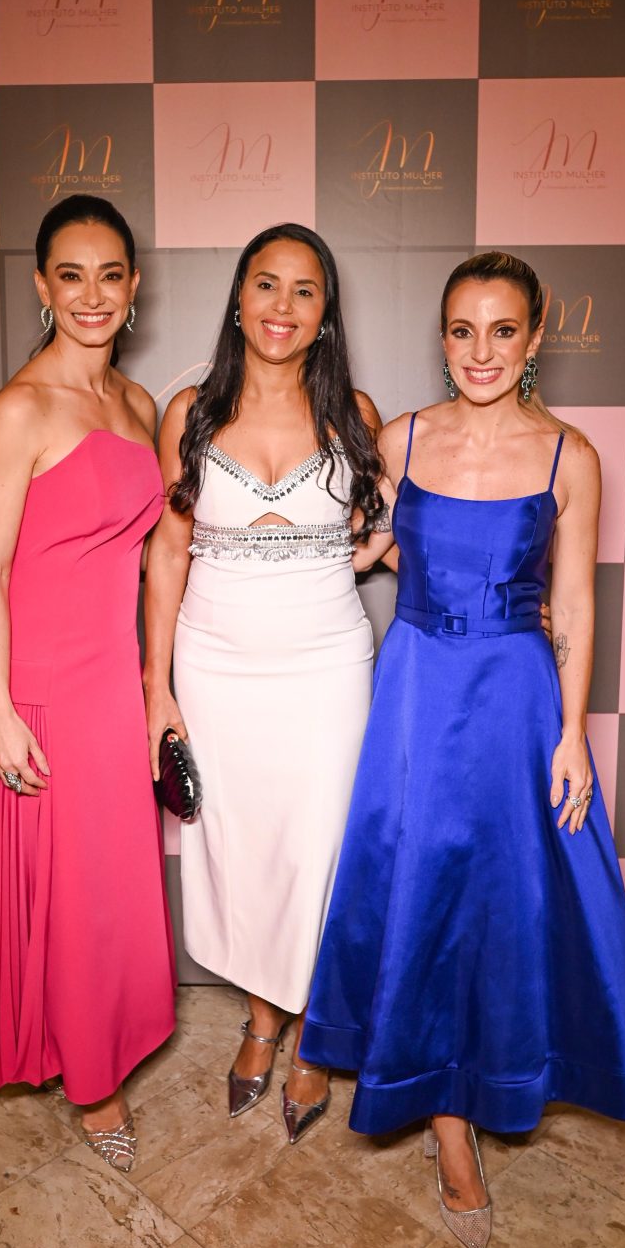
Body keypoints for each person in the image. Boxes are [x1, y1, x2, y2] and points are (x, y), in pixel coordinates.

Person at [301, 252, 625, 1248]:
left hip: (512, 696)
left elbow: (578, 602)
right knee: (415, 890)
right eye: (460, 331)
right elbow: (366, 541)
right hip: (415, 686)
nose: (479, 351)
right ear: (441, 337)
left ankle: (490, 1076)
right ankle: (444, 1124)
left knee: (501, 902)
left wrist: (572, 732)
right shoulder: (402, 433)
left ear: (534, 336)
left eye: (500, 331)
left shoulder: (567, 455)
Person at [0, 194, 175, 1173]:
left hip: (112, 682)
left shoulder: (140, 405)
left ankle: (111, 1031)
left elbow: (158, 549)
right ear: (41, 286)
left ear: (132, 285)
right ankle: (90, 1079)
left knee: (109, 882)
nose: (91, 295)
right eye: (69, 275)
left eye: (109, 274)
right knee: (64, 891)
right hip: (36, 687)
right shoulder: (17, 408)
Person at [143, 223, 386, 1143]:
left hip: (326, 666)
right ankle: (260, 1024)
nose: (282, 307)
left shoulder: (355, 414)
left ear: (326, 315)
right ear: (238, 300)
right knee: (243, 854)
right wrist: (156, 687)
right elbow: (167, 554)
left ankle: (313, 1045)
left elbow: (391, 530)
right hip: (214, 667)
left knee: (317, 857)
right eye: (266, 286)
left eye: (304, 292)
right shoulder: (190, 412)